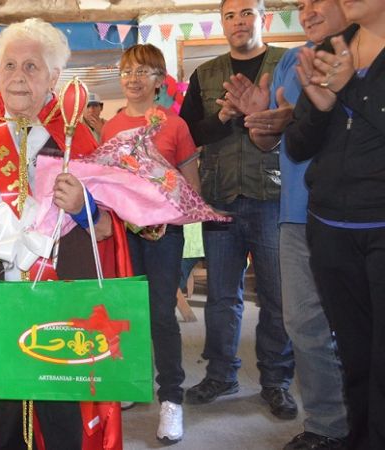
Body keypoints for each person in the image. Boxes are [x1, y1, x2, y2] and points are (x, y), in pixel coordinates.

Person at [0, 18, 131, 449]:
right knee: (5, 412)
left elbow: (110, 226)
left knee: (61, 410)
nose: (17, 76)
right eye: (9, 65)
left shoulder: (76, 135)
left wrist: (85, 207)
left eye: (31, 66)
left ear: (54, 76)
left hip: (61, 295)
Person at [228, 0, 350, 448]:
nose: (309, 12)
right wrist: (259, 121)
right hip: (295, 214)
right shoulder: (289, 64)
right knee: (304, 327)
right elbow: (268, 143)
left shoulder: (366, 57)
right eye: (302, 5)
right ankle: (326, 426)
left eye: (319, 2)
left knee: (360, 325)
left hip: (359, 216)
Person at [179, 0, 297, 420]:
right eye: (229, 15)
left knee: (276, 297)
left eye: (246, 12)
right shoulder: (205, 73)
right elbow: (188, 133)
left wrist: (266, 115)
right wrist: (225, 116)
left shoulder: (288, 63)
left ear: (262, 18)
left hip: (274, 197)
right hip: (220, 198)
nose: (238, 21)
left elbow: (308, 121)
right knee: (221, 297)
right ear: (223, 23)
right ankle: (221, 373)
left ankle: (276, 380)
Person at [285, 0, 385, 446]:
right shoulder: (332, 47)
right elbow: (299, 145)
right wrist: (322, 106)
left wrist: (352, 91)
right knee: (356, 356)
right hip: (330, 228)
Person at [100, 43, 199, 445]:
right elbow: (104, 183)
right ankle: (133, 380)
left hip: (163, 234)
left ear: (159, 80)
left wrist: (173, 214)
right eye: (127, 71)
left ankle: (171, 397)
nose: (134, 79)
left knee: (160, 313)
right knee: (127, 310)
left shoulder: (174, 125)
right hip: (123, 234)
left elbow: (191, 182)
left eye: (143, 72)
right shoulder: (109, 126)